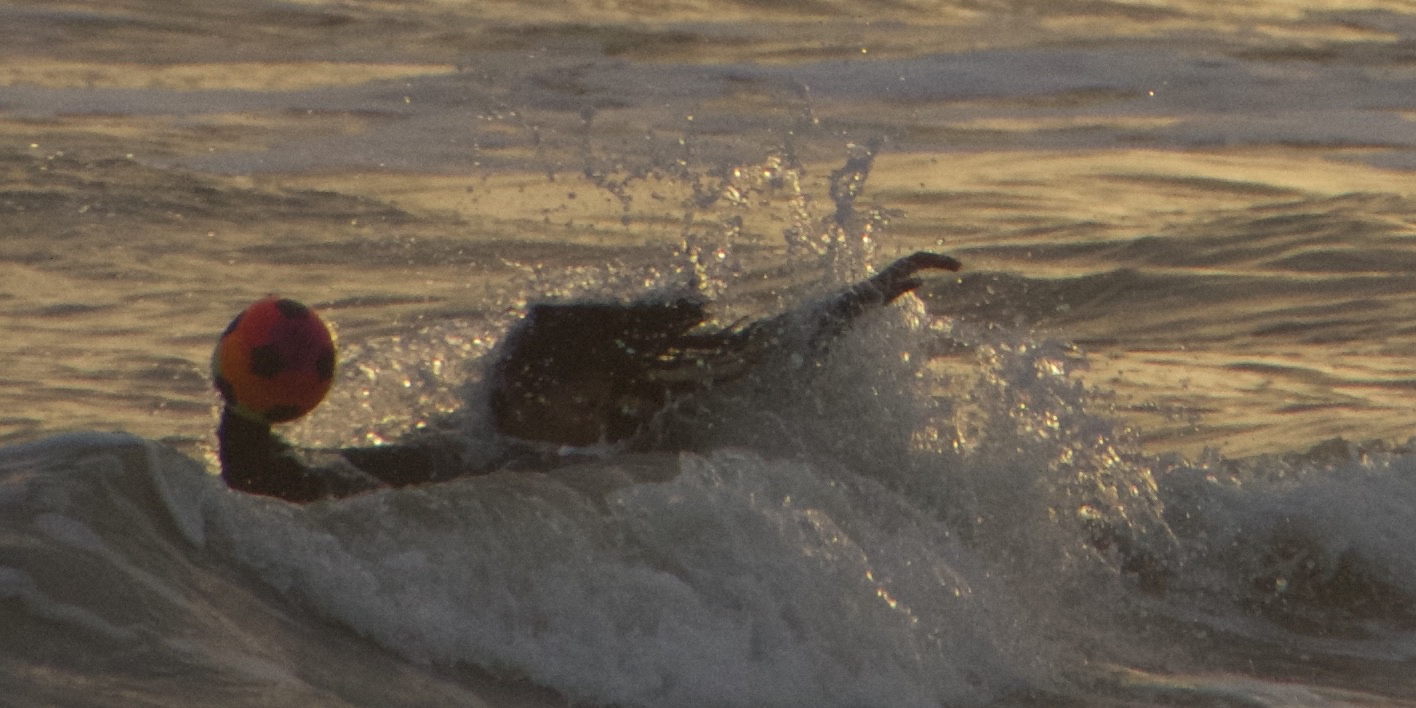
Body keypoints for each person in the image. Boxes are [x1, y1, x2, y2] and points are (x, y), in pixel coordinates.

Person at [208, 257, 961, 501]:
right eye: (583, 399)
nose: (599, 415)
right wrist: (246, 414)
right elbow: (308, 482)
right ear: (529, 393)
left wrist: (861, 298)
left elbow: (755, 350)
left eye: (604, 396)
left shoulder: (635, 411)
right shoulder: (461, 454)